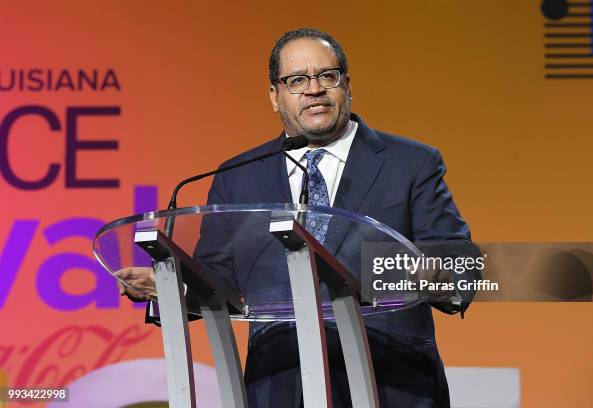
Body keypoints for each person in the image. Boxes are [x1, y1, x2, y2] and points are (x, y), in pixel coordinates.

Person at [116, 28, 480, 407]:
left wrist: (436, 273)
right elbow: (216, 277)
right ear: (275, 96)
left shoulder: (411, 163)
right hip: (281, 383)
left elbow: (457, 257)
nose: (314, 89)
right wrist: (173, 286)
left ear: (347, 85)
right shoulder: (238, 176)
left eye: (327, 76)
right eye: (297, 80)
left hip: (392, 381)